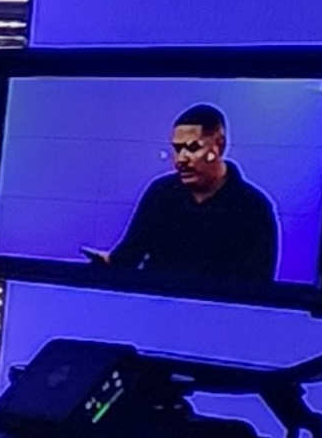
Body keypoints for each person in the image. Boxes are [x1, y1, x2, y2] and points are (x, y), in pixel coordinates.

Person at [93, 102, 281, 296]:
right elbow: (128, 255)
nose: (181, 159)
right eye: (177, 148)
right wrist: (107, 265)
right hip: (154, 311)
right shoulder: (161, 193)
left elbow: (259, 288)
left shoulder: (254, 208)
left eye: (192, 148)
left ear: (219, 145)